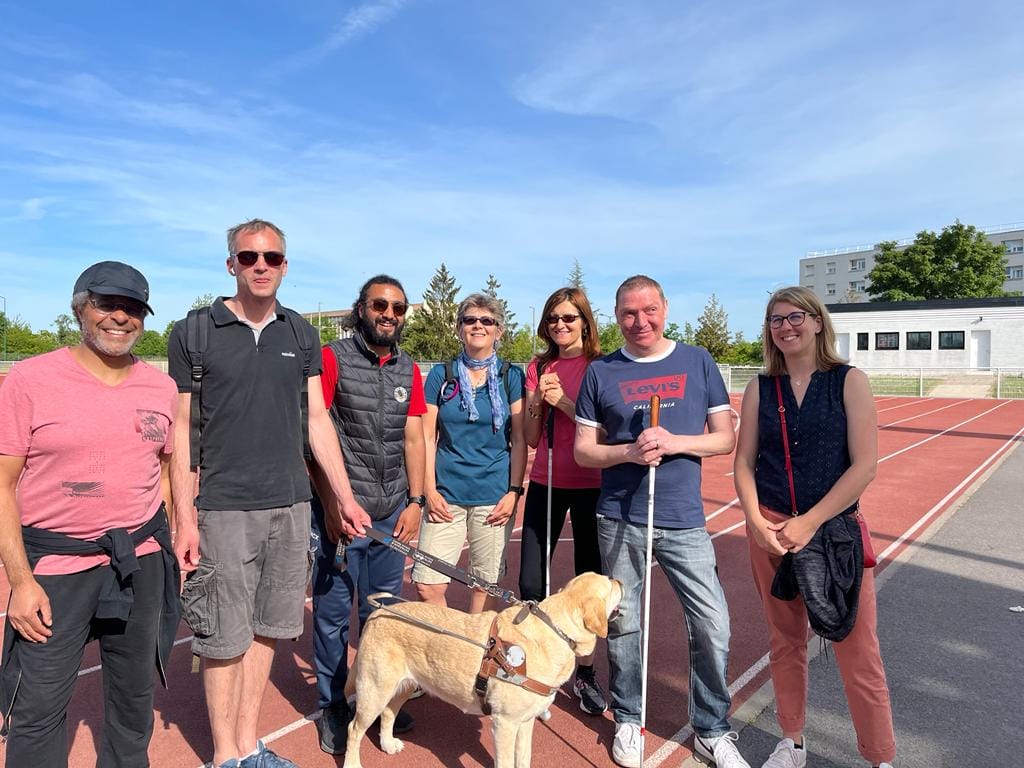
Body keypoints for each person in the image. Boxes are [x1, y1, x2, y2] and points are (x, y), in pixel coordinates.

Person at [168, 219, 371, 768]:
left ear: (285, 265)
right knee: (221, 636)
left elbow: (318, 421)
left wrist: (343, 495)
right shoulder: (194, 331)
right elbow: (181, 429)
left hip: (290, 504)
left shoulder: (301, 333)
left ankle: (247, 744)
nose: (262, 265)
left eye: (273, 257)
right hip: (224, 508)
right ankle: (223, 756)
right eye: (250, 256)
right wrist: (183, 519)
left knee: (266, 630)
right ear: (231, 264)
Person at [0, 261, 179, 768]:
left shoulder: (159, 388)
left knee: (133, 703)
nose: (120, 317)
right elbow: (2, 486)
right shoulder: (30, 380)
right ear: (81, 308)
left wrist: (172, 537)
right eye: (107, 304)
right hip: (55, 567)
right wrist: (20, 580)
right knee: (35, 708)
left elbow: (164, 471)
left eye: (133, 308)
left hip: (139, 562)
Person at [574, 275, 750, 768]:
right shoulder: (601, 372)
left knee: (712, 623)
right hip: (620, 517)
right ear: (617, 316)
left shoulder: (698, 361)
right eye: (629, 313)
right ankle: (629, 718)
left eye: (649, 310)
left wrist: (674, 442)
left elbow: (723, 439)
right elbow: (584, 452)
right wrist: (629, 450)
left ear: (665, 308)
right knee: (625, 623)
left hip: (684, 518)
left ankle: (711, 729)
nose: (640, 321)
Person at [733, 286, 896, 768]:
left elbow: (864, 467)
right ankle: (792, 741)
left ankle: (880, 756)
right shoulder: (761, 388)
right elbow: (743, 463)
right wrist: (755, 520)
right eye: (775, 320)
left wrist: (811, 521)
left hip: (836, 535)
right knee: (784, 643)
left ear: (818, 321)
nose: (785, 326)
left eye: (795, 317)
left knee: (857, 648)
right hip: (772, 533)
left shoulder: (850, 381)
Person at [309, 275, 426, 755]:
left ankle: (377, 698)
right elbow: (312, 435)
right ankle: (334, 702)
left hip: (391, 514)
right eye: (380, 305)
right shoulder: (332, 359)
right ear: (361, 309)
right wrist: (332, 503)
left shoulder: (409, 368)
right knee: (334, 614)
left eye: (398, 308)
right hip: (343, 514)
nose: (389, 314)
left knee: (382, 616)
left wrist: (416, 501)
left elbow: (415, 438)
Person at [518, 286, 607, 715]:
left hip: (592, 485)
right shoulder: (538, 366)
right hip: (546, 482)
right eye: (553, 319)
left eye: (569, 318)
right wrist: (538, 402)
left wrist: (568, 404)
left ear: (585, 322)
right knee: (532, 580)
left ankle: (585, 673)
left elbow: (610, 433)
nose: (560, 326)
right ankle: (534, 662)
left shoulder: (601, 367)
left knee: (588, 582)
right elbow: (532, 437)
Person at [412, 293, 526, 613]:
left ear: (498, 331)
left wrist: (514, 492)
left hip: (493, 494)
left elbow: (518, 438)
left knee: (484, 583)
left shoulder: (510, 376)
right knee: (427, 583)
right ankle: (450, 644)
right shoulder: (441, 374)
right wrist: (428, 491)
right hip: (446, 494)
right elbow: (425, 435)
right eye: (470, 320)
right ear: (459, 328)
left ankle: (475, 651)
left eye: (486, 321)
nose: (478, 326)